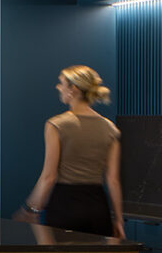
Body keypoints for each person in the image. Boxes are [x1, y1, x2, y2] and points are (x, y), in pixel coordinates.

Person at [21, 65, 124, 238]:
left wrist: (31, 209)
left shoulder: (56, 125)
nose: (58, 87)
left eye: (61, 83)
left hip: (65, 205)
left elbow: (49, 176)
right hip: (98, 207)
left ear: (73, 89)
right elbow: (113, 180)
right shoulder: (110, 129)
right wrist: (119, 220)